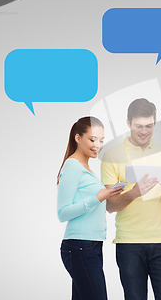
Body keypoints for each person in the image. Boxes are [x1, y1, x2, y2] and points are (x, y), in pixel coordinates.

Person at [100, 98, 161, 300]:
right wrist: (134, 193)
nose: (144, 131)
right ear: (128, 123)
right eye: (138, 126)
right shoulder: (112, 155)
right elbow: (110, 206)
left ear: (155, 123)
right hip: (129, 244)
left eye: (149, 126)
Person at [57, 116, 124, 300]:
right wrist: (98, 197)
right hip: (79, 246)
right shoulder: (72, 166)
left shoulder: (85, 168)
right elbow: (62, 213)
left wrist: (108, 195)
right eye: (93, 139)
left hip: (91, 246)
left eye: (101, 140)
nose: (98, 145)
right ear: (78, 138)